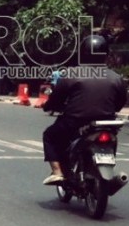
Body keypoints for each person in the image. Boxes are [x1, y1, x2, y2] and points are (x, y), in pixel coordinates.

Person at [41, 34, 127, 185]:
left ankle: (57, 172)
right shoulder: (116, 77)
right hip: (106, 122)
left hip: (75, 122)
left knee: (49, 135)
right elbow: (121, 101)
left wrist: (48, 106)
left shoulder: (71, 74)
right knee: (112, 139)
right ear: (106, 55)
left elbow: (56, 99)